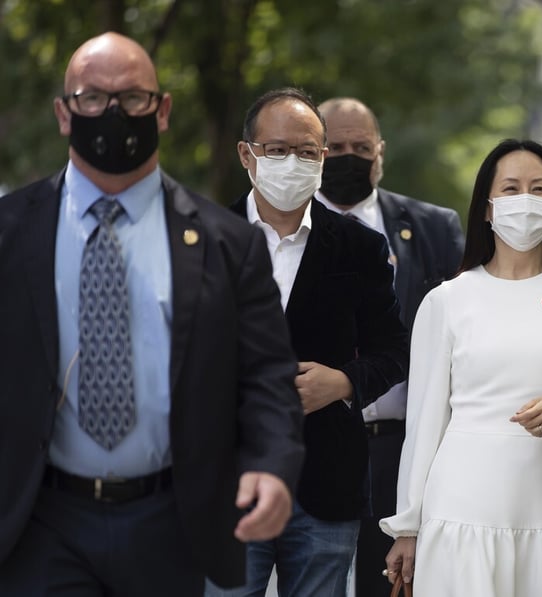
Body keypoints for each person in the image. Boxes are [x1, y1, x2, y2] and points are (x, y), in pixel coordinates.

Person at [0, 33, 305, 596]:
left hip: (171, 522)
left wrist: (270, 463)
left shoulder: (227, 242)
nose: (112, 113)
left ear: (161, 110)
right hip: (41, 522)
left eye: (133, 98)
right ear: (64, 114)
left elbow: (266, 376)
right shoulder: (11, 232)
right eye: (92, 98)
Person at [381, 139, 542, 596]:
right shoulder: (447, 301)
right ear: (487, 208)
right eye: (511, 188)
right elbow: (424, 425)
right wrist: (408, 526)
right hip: (461, 507)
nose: (526, 201)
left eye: (539, 189)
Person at [202, 88, 410, 597]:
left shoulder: (360, 247)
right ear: (246, 154)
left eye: (307, 152)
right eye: (277, 150)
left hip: (326, 480)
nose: (292, 162)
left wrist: (342, 383)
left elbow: (394, 349)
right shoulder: (205, 238)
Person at [313, 96, 466, 597]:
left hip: (404, 448)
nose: (349, 156)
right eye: (335, 146)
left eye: (361, 146)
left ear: (381, 151)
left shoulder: (434, 229)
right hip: (318, 445)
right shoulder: (288, 228)